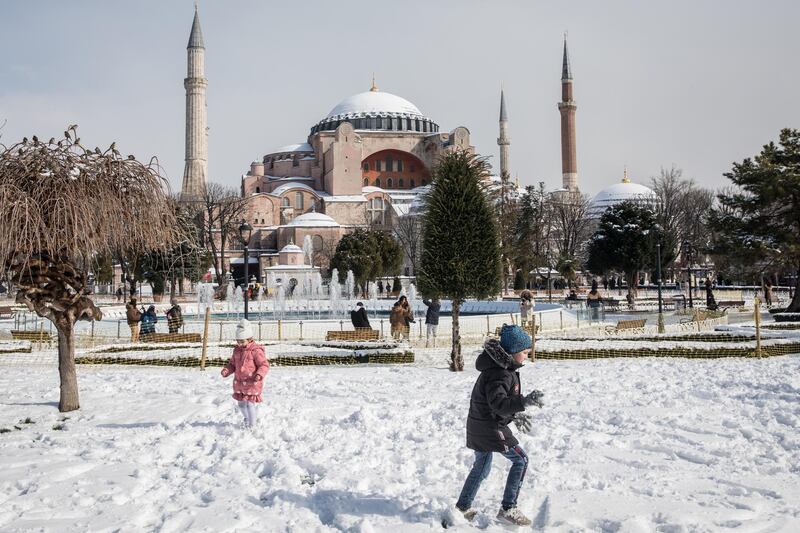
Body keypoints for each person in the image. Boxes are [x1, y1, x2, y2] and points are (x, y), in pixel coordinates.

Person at [455, 324, 544, 526]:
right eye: (524, 352)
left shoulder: (502, 367)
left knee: (482, 466)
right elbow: (499, 405)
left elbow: (498, 404)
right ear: (512, 352)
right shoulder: (500, 373)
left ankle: (463, 507)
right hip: (490, 427)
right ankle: (508, 507)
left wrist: (514, 415)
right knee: (521, 460)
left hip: (480, 424)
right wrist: (524, 402)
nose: (527, 355)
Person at [221, 319, 269, 428]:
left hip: (252, 382)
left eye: (242, 341)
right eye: (238, 341)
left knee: (249, 404)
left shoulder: (256, 351)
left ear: (250, 339)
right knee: (241, 404)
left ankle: (252, 425)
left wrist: (259, 374)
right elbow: (232, 364)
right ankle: (247, 418)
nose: (240, 344)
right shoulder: (237, 350)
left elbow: (264, 365)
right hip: (239, 383)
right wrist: (227, 370)